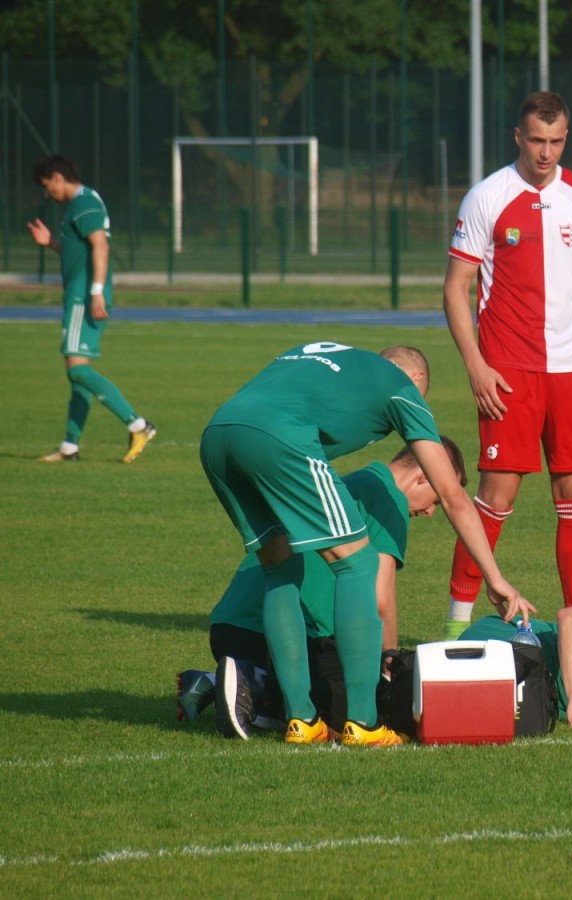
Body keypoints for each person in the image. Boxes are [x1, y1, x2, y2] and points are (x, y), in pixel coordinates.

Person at [199, 342, 533, 748]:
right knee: (356, 563)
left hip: (218, 434)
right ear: (416, 379)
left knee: (280, 567)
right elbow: (452, 495)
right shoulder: (401, 388)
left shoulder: (328, 358)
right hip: (278, 436)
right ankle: (363, 723)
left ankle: (302, 719)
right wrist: (494, 577)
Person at [441, 90, 572, 640]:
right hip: (509, 371)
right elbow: (456, 288)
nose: (545, 152)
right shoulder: (488, 197)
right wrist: (476, 366)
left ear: (566, 138)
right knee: (495, 498)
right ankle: (455, 628)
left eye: (555, 141)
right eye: (536, 140)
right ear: (518, 137)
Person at [177, 442, 467, 739]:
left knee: (319, 704)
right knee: (374, 712)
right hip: (277, 636)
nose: (430, 511)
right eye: (437, 498)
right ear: (422, 477)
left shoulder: (348, 484)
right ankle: (254, 682)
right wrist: (387, 666)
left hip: (229, 628)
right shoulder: (389, 497)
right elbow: (380, 600)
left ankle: (223, 682)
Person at [26, 155, 156, 464]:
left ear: (58, 177)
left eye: (46, 186)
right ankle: (69, 447)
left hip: (83, 296)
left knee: (77, 370)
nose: (47, 194)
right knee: (78, 373)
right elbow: (80, 249)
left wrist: (95, 291)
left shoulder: (83, 202)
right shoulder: (81, 203)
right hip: (83, 293)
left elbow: (100, 245)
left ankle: (138, 425)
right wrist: (51, 243)